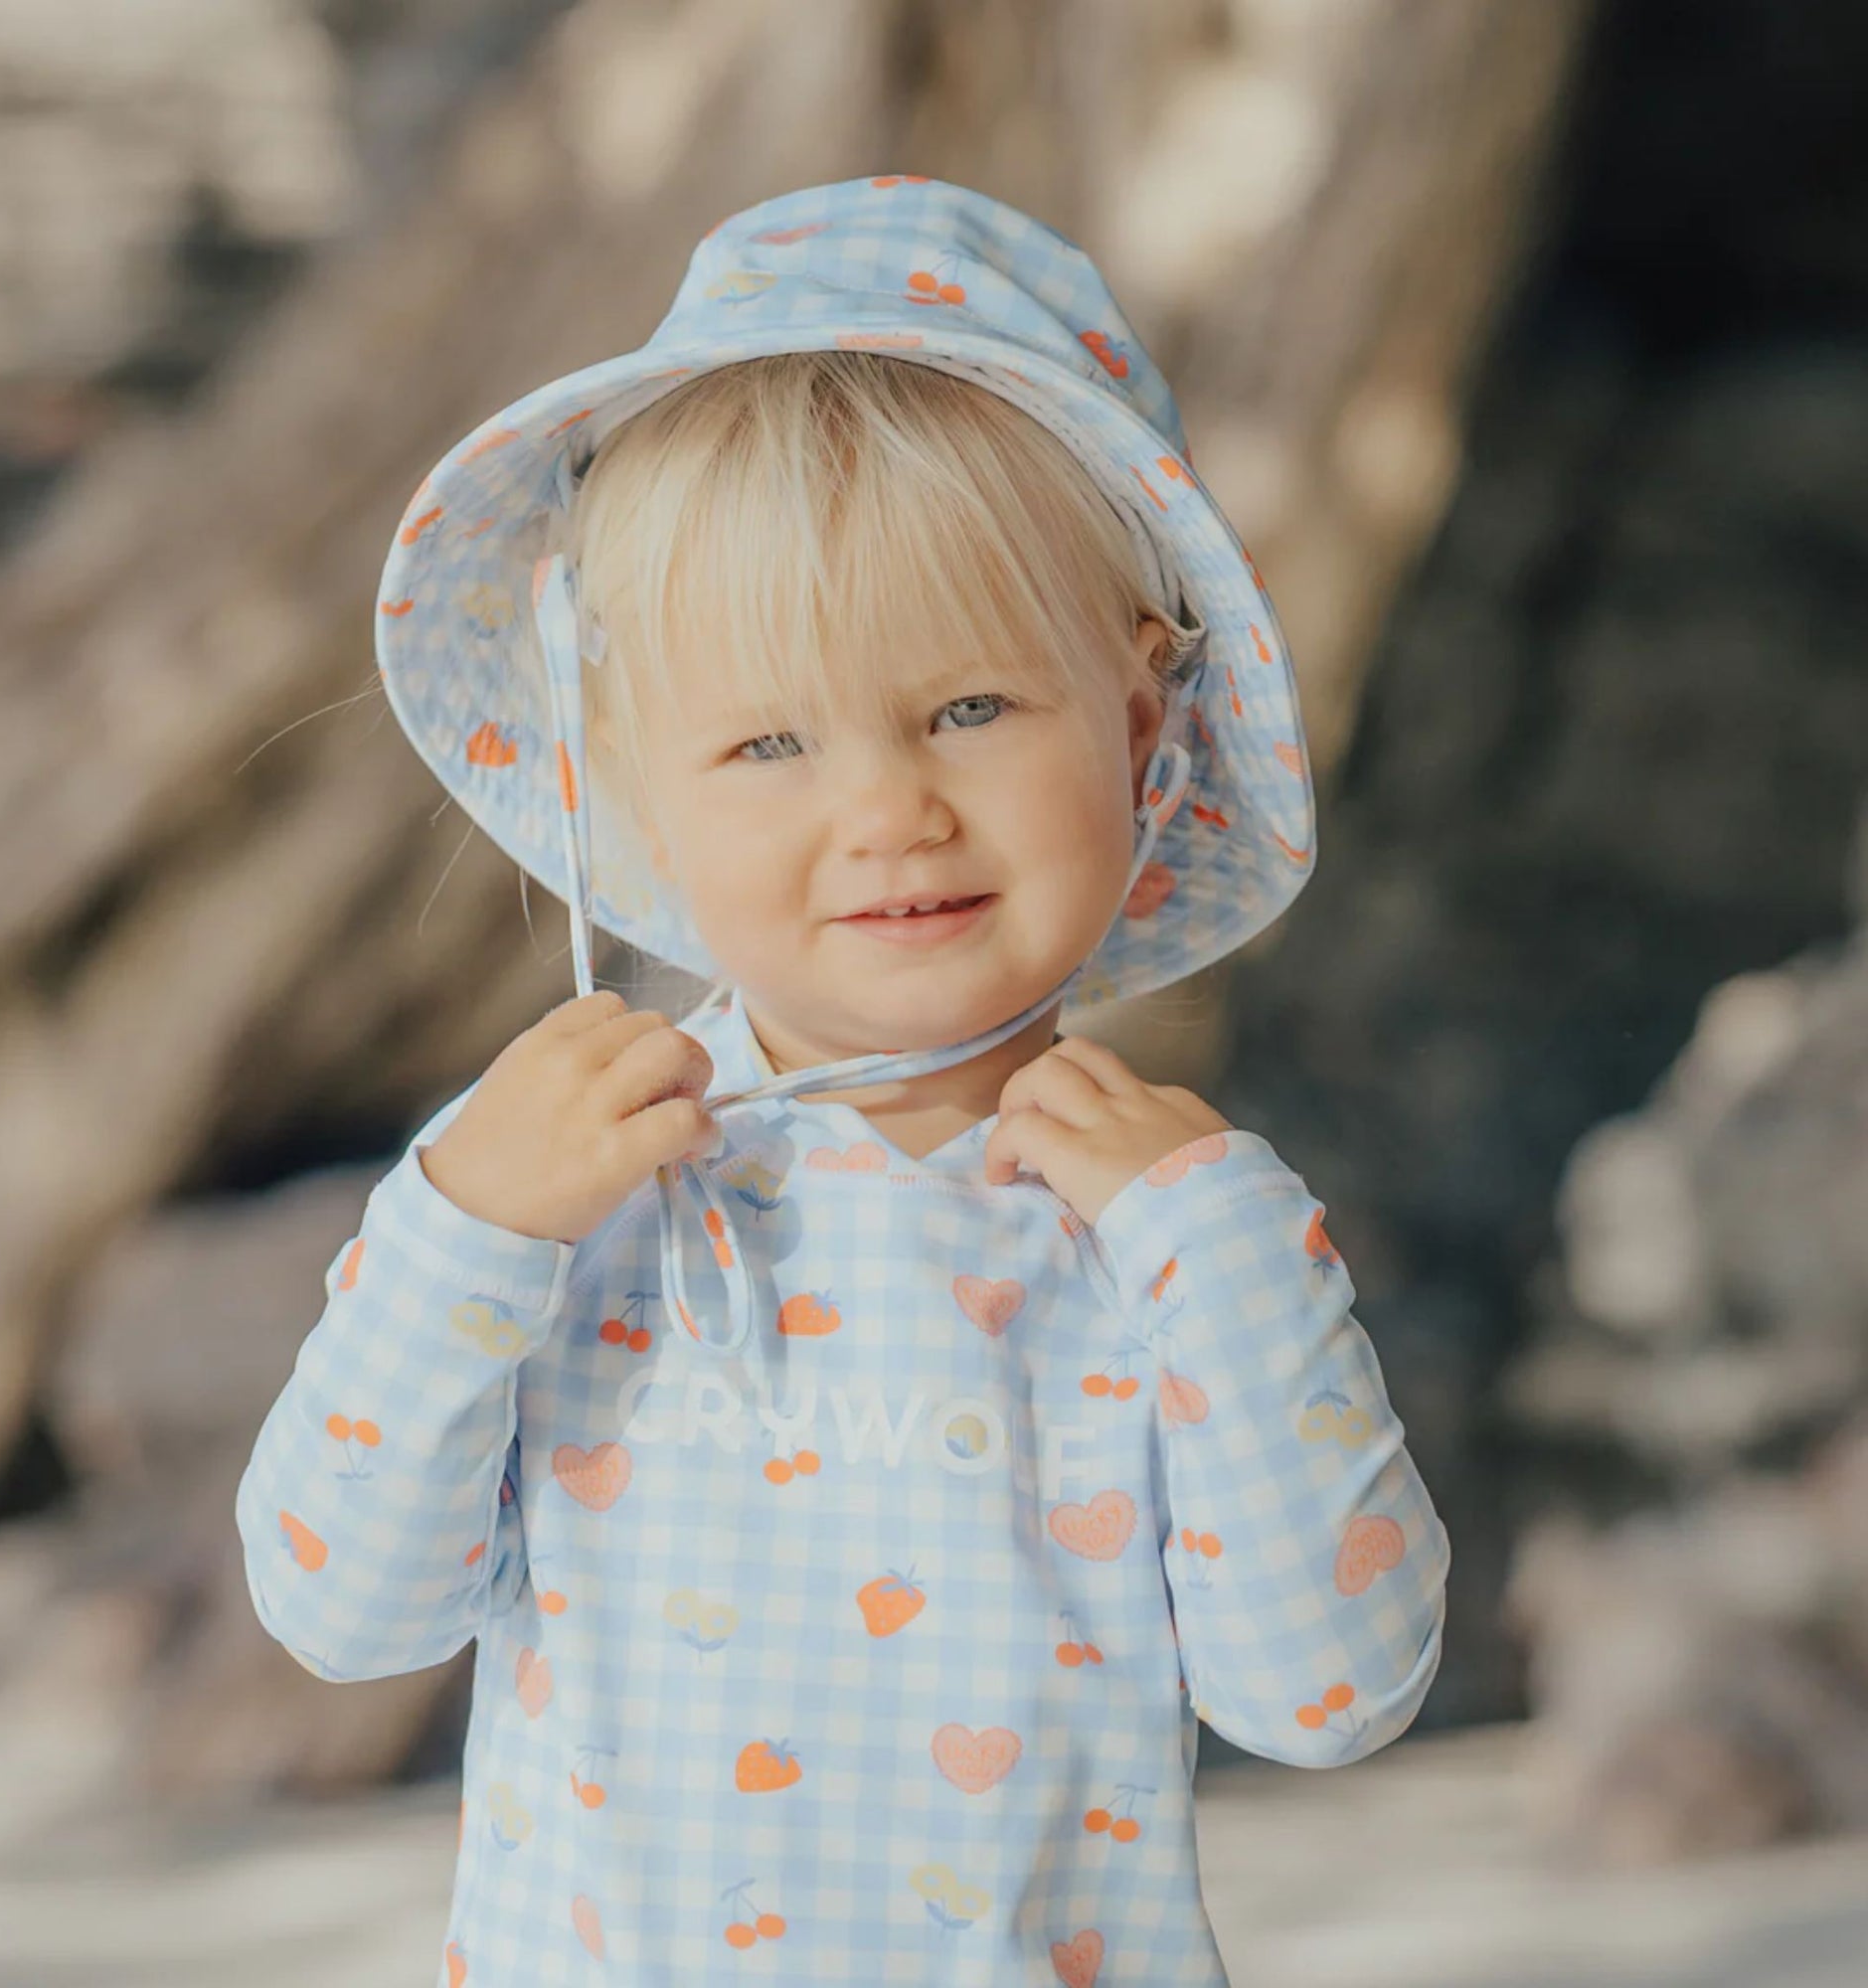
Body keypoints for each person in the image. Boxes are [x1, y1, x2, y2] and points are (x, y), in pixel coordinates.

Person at [237, 176, 1450, 1986]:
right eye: (766, 742)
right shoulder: (561, 1185)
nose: (888, 811)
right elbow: (342, 1609)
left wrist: (1233, 1264)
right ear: (629, 785)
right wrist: (460, 1231)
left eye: (969, 707)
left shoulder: (1165, 1230)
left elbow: (1331, 1694)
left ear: (1138, 723)